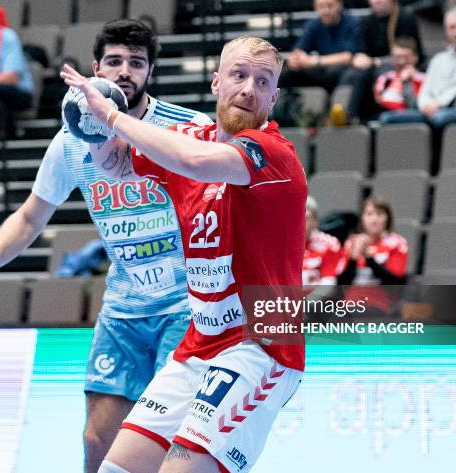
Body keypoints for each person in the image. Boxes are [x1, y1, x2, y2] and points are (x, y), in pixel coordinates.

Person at [0, 19, 211, 473]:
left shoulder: (189, 129)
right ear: (95, 67)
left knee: (170, 444)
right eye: (114, 61)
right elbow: (30, 216)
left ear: (150, 72)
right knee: (97, 442)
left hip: (187, 307)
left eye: (136, 63)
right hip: (123, 310)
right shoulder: (71, 143)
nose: (125, 71)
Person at [61, 35, 306, 473]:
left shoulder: (272, 155)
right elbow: (116, 164)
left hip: (260, 350)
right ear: (216, 83)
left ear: (275, 95)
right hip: (198, 347)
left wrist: (114, 116)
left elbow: (195, 161)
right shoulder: (189, 137)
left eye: (262, 80)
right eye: (239, 74)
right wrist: (91, 124)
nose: (249, 88)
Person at [340, 0, 423, 121]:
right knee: (352, 74)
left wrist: (375, 61)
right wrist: (360, 57)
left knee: (383, 74)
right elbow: (362, 50)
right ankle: (345, 115)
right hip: (372, 66)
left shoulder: (405, 18)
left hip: (399, 63)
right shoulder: (367, 21)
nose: (377, 1)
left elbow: (409, 52)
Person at [337, 197, 408, 316]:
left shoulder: (397, 243)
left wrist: (368, 259)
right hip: (349, 303)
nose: (374, 219)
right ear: (362, 218)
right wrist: (353, 259)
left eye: (379, 214)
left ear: (387, 219)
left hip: (378, 302)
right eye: (369, 214)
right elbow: (342, 283)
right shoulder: (352, 242)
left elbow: (393, 283)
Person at [279, 0, 360, 94]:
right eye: (321, 7)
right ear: (315, 7)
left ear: (340, 5)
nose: (326, 11)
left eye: (330, 6)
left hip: (342, 69)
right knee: (285, 73)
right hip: (320, 69)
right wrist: (295, 59)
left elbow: (348, 57)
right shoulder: (313, 24)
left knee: (346, 73)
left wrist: (314, 61)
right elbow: (299, 50)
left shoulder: (352, 22)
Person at [374, 37, 426, 123]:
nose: (401, 61)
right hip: (385, 111)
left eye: (406, 57)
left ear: (415, 57)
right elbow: (378, 99)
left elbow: (414, 105)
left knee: (386, 117)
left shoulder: (422, 78)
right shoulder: (386, 77)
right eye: (397, 57)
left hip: (410, 114)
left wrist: (407, 81)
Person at [303, 196, 343, 287]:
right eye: (296, 217)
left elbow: (329, 284)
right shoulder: (282, 246)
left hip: (316, 298)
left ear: (315, 221)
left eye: (306, 218)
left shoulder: (330, 244)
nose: (300, 222)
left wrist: (308, 301)